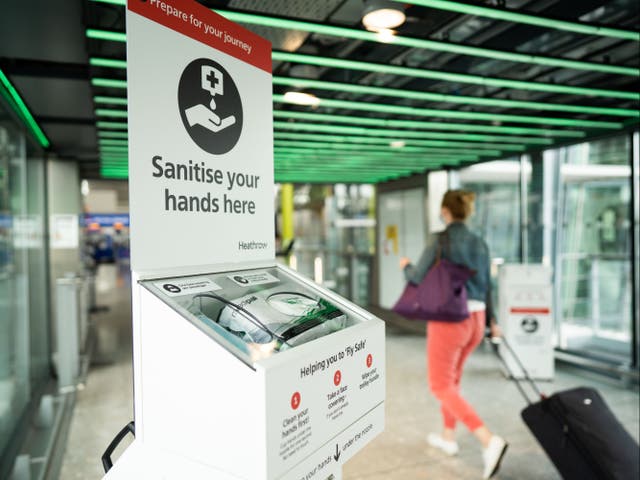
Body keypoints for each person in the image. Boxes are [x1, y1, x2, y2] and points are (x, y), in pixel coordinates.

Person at [399, 189, 507, 479]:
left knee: (439, 385)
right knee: (452, 381)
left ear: (445, 211)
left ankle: (488, 440)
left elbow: (416, 278)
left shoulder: (440, 239)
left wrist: (405, 266)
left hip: (450, 320)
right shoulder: (480, 242)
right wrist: (493, 321)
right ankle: (448, 437)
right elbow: (488, 286)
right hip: (476, 319)